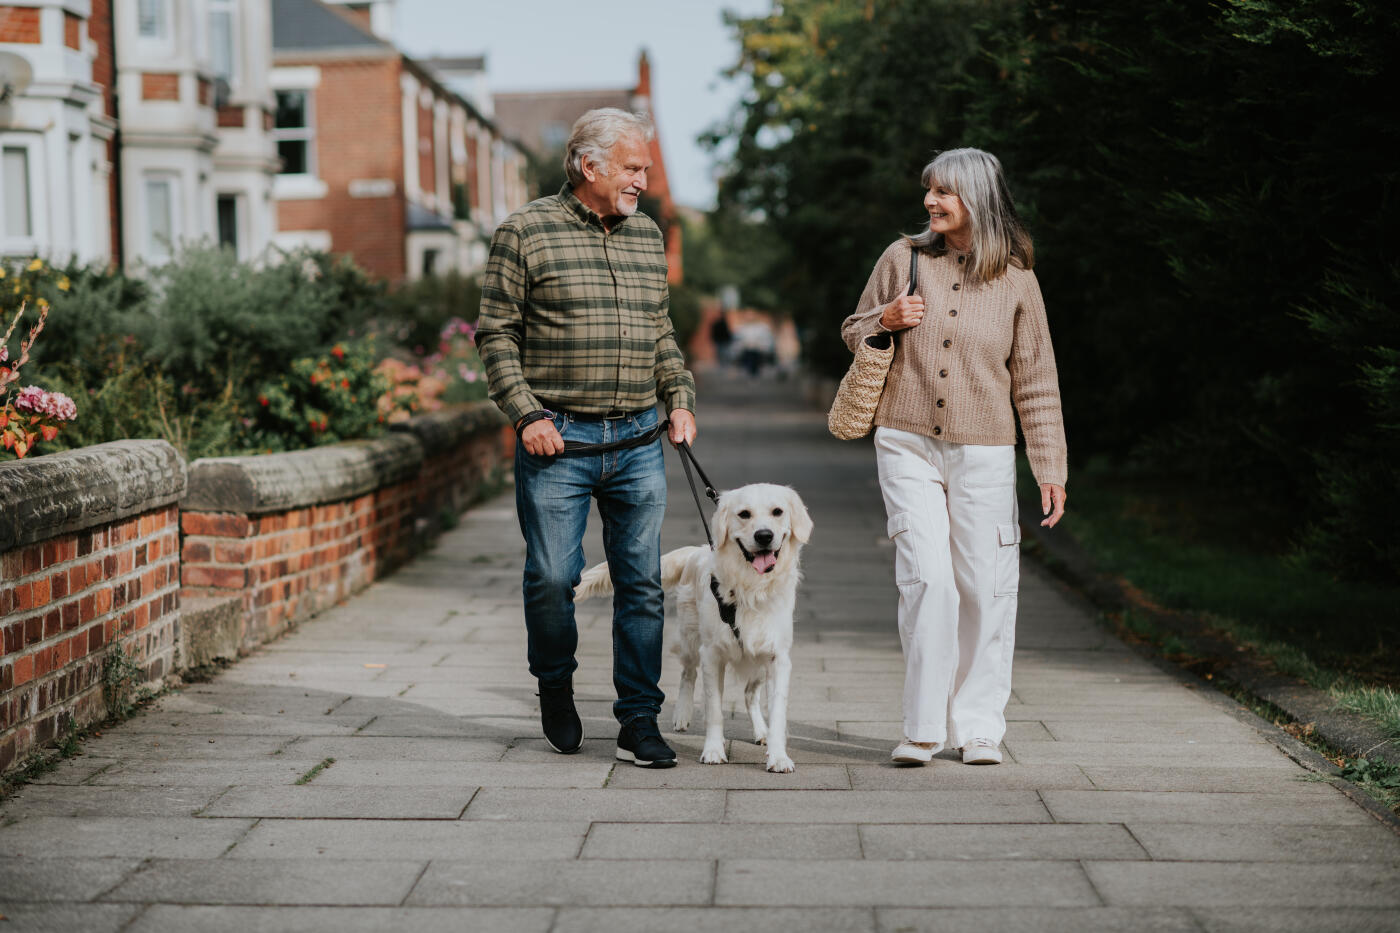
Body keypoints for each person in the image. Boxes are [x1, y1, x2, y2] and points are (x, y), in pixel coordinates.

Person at [475, 108, 698, 769]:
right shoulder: (525, 233)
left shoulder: (646, 235)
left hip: (638, 440)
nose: (644, 179)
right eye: (633, 168)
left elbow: (661, 330)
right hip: (558, 442)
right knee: (552, 578)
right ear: (587, 166)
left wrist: (679, 398)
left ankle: (638, 720)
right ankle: (554, 681)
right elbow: (495, 334)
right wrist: (526, 415)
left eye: (646, 168)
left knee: (642, 584)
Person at [839, 148, 1067, 766]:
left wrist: (1050, 468)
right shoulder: (903, 258)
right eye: (929, 190)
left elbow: (1036, 381)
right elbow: (853, 328)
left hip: (985, 450)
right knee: (928, 580)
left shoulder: (1018, 280)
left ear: (978, 199)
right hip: (905, 439)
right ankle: (920, 729)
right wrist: (884, 319)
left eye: (944, 192)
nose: (930, 202)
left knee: (985, 587)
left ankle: (979, 727)